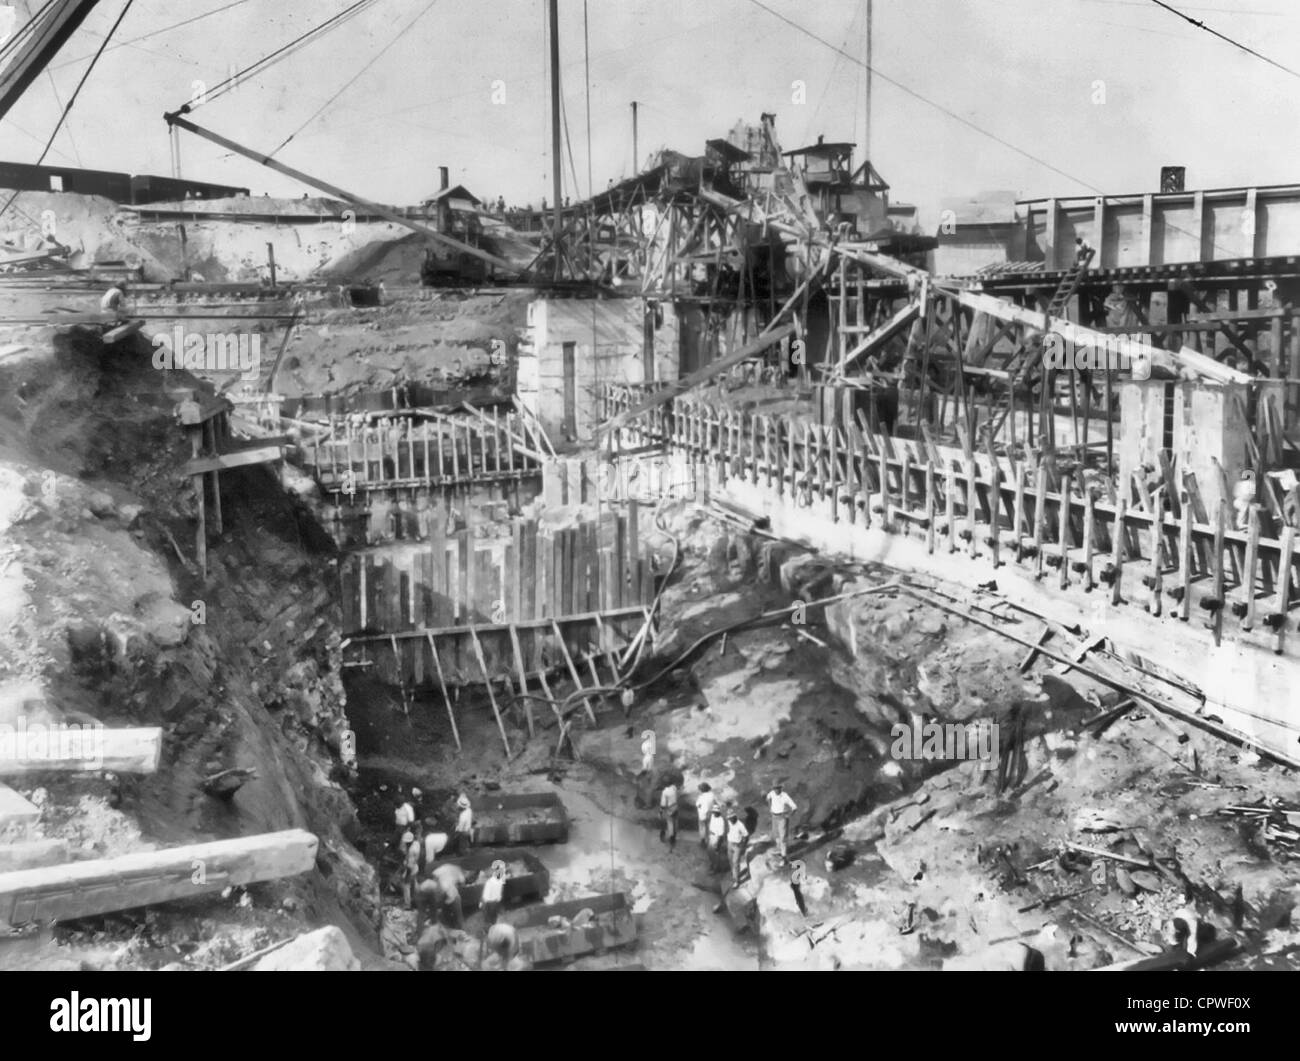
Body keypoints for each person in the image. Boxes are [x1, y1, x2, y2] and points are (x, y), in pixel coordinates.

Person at [765, 781, 797, 862]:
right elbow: (768, 798)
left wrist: (789, 815)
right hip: (774, 817)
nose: (776, 790)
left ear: (781, 788)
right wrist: (770, 807)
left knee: (783, 838)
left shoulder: (785, 796)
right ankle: (780, 851)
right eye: (774, 788)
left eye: (777, 788)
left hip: (782, 818)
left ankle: (784, 857)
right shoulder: (772, 793)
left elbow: (794, 807)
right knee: (776, 835)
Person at [430, 862, 467, 929]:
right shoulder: (458, 870)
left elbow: (434, 879)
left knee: (446, 916)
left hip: (445, 895)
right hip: (452, 895)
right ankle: (460, 929)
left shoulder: (443, 868)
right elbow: (462, 883)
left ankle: (449, 928)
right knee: (458, 916)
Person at [726, 807, 749, 887]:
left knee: (735, 863)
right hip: (730, 844)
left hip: (737, 846)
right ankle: (735, 875)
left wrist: (743, 845)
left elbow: (746, 835)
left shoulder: (740, 825)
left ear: (734, 816)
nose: (730, 819)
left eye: (731, 818)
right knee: (731, 862)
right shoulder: (728, 822)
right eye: (729, 818)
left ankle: (736, 881)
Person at [480, 860, 507, 926]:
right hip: (496, 902)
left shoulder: (490, 882)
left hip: (489, 903)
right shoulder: (500, 880)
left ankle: (490, 926)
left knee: (488, 918)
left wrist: (482, 903)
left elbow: (486, 896)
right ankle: (494, 925)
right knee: (494, 916)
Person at [659, 780, 679, 850]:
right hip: (675, 807)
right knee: (675, 822)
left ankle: (671, 838)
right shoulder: (674, 788)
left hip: (669, 808)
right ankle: (674, 836)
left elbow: (663, 804)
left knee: (669, 823)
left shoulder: (665, 792)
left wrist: (661, 811)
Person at [695, 783, 715, 848]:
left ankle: (703, 841)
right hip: (710, 813)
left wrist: (700, 807)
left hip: (702, 814)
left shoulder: (701, 797)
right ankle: (709, 841)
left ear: (702, 790)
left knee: (702, 828)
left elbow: (697, 804)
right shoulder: (712, 795)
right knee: (709, 827)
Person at [706, 806, 726, 871]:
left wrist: (718, 844)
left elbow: (721, 835)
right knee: (710, 852)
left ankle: (716, 868)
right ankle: (712, 864)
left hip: (716, 837)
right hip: (711, 836)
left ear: (718, 812)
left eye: (715, 812)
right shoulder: (713, 816)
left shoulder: (721, 821)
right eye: (713, 811)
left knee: (716, 853)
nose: (714, 813)